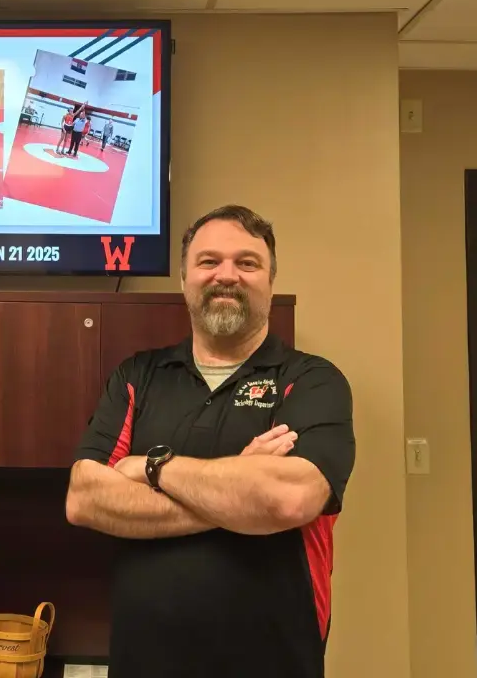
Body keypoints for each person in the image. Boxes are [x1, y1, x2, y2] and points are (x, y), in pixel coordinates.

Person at [66, 204, 355, 678]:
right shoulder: (138, 375)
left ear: (270, 281)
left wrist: (152, 468)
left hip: (276, 662)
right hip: (145, 662)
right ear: (184, 280)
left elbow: (287, 499)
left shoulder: (312, 381)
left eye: (247, 262)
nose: (228, 275)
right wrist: (239, 491)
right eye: (209, 261)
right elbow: (85, 498)